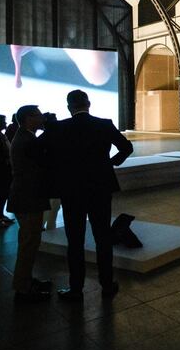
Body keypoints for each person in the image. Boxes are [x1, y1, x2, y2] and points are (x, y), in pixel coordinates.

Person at [45, 90, 133, 301]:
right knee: (103, 238)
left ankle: (76, 289)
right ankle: (107, 285)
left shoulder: (60, 127)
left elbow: (46, 152)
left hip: (72, 190)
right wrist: (110, 163)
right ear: (89, 103)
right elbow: (126, 147)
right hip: (100, 188)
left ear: (69, 107)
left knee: (74, 241)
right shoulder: (104, 124)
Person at [7, 105, 52, 303]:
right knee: (28, 243)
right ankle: (23, 288)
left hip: (27, 196)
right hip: (28, 197)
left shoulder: (25, 136)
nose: (42, 118)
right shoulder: (26, 140)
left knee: (31, 242)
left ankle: (25, 281)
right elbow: (42, 159)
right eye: (38, 115)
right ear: (28, 118)